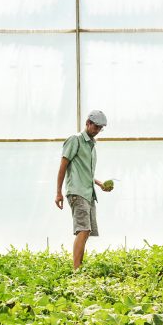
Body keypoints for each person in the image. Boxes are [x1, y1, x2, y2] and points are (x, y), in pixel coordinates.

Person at [54, 110, 112, 270]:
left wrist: (100, 184)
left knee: (86, 231)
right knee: (83, 229)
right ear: (88, 123)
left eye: (100, 128)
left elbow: (85, 171)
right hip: (77, 191)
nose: (97, 130)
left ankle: (79, 267)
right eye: (96, 126)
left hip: (88, 192)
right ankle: (76, 270)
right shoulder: (76, 140)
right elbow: (63, 166)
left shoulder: (92, 145)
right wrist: (58, 192)